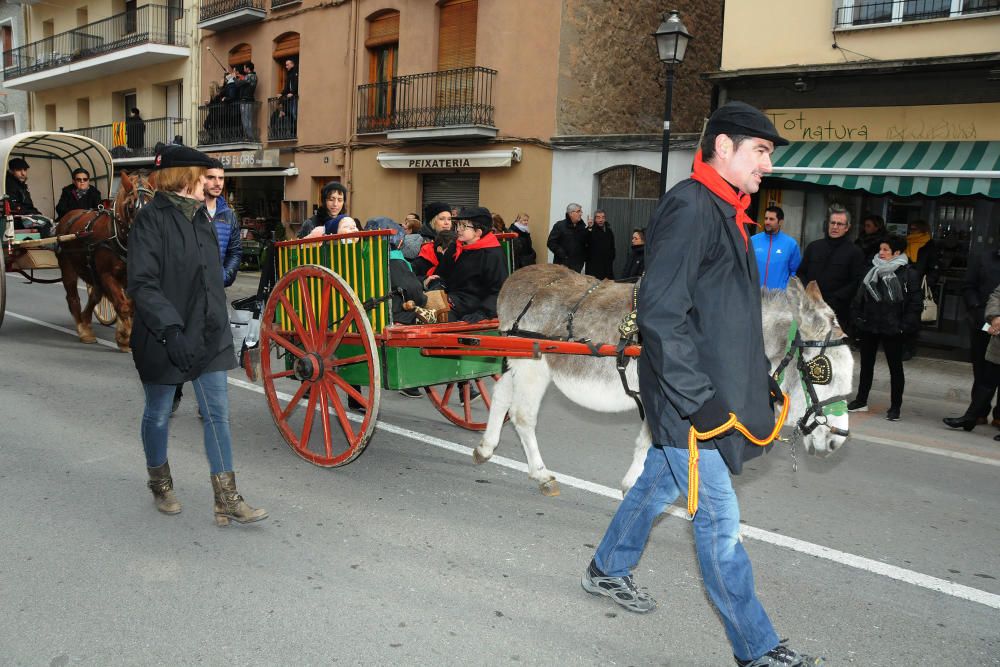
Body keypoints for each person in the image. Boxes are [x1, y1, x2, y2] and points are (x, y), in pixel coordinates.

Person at [582, 101, 823, 667]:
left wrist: (758, 379)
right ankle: (757, 648)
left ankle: (607, 568)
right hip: (691, 405)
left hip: (704, 395)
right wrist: (702, 403)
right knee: (720, 524)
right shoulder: (691, 208)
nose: (767, 165)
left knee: (658, 485)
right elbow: (662, 315)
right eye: (760, 151)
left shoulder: (725, 211)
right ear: (723, 147)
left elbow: (720, 316)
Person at [128, 143, 266, 526]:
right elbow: (142, 283)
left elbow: (210, 281)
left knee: (217, 413)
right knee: (158, 413)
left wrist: (217, 327)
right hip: (164, 336)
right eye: (202, 175)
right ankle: (160, 483)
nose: (208, 181)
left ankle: (226, 498)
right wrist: (172, 331)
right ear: (183, 177)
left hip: (206, 334)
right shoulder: (151, 220)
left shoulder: (203, 217)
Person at [172, 159, 242, 414]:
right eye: (211, 178)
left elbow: (235, 251)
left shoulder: (228, 215)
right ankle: (174, 391)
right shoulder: (187, 211)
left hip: (215, 292)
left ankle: (207, 402)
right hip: (187, 292)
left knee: (213, 347)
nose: (217, 183)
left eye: (221, 179)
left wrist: (225, 275)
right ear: (201, 180)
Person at [846, 235, 922, 421]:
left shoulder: (909, 273)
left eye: (885, 250)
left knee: (895, 368)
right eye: (880, 249)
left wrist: (904, 326)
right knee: (866, 365)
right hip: (870, 324)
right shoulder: (871, 269)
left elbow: (915, 303)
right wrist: (858, 318)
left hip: (894, 327)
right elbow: (860, 295)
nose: (881, 253)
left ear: (897, 252)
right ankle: (861, 400)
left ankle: (895, 407)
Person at [797, 203, 866, 336]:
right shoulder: (813, 247)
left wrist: (833, 299)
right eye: (832, 222)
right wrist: (809, 292)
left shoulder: (855, 252)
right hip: (810, 307)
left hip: (837, 312)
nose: (835, 227)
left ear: (847, 228)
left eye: (839, 224)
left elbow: (856, 281)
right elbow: (801, 272)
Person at [434, 206, 508, 323]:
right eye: (458, 225)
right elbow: (442, 273)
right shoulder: (456, 247)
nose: (458, 229)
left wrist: (482, 313)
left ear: (478, 232)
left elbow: (499, 291)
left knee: (438, 319)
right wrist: (436, 284)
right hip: (451, 301)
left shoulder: (492, 254)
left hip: (474, 308)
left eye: (464, 226)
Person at [960, 247, 1000, 426]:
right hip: (983, 321)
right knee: (982, 369)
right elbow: (969, 286)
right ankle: (979, 412)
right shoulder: (982, 257)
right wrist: (976, 309)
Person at [751, 205, 801, 289]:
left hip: (778, 298)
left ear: (780, 222)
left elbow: (795, 271)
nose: (767, 222)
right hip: (754, 294)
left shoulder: (791, 244)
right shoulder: (752, 240)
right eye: (766, 218)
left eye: (771, 219)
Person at [5, 157, 53, 237]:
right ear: (11, 171)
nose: (23, 173)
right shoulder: (9, 185)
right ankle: (46, 246)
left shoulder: (21, 185)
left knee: (49, 221)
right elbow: (14, 206)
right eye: (19, 170)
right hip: (16, 219)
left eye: (25, 170)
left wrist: (37, 213)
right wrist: (33, 214)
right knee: (44, 224)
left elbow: (28, 205)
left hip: (24, 216)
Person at [410, 202, 453, 278]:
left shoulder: (456, 239)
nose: (447, 223)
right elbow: (412, 273)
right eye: (442, 219)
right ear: (432, 221)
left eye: (449, 219)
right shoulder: (419, 241)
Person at [547, 203, 588, 272]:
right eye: (578, 211)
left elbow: (585, 244)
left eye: (581, 211)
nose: (581, 214)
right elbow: (551, 243)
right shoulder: (559, 226)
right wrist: (563, 255)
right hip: (562, 264)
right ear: (570, 213)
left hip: (577, 266)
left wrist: (590, 229)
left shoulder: (582, 227)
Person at [584, 210, 615, 280]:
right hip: (593, 267)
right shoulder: (590, 229)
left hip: (607, 267)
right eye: (598, 217)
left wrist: (611, 258)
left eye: (603, 217)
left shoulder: (609, 231)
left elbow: (612, 247)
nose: (601, 220)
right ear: (595, 219)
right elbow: (585, 241)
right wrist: (589, 228)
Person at [235, 62, 258, 141]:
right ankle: (249, 136)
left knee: (246, 120)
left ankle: (250, 137)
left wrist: (233, 78)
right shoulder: (254, 76)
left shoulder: (249, 76)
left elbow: (238, 84)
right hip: (249, 100)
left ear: (248, 69)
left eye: (244, 68)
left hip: (246, 100)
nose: (243, 69)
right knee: (248, 119)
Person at [280, 58, 299, 125]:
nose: (286, 66)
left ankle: (296, 131)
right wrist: (281, 93)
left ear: (292, 64)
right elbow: (287, 86)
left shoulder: (296, 72)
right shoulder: (289, 74)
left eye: (287, 65)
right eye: (286, 65)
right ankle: (292, 131)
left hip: (294, 97)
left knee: (294, 113)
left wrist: (293, 93)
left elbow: (297, 83)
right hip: (290, 98)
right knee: (291, 113)